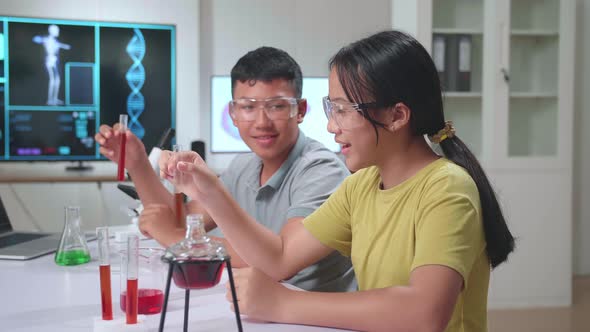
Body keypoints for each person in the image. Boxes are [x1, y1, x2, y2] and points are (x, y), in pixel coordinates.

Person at [164, 30, 515, 331]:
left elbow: (424, 313)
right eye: (331, 109)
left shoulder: (447, 188)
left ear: (396, 116)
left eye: (343, 110)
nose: (332, 126)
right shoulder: (360, 185)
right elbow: (281, 257)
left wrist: (282, 303)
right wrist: (209, 191)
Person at [95, 46, 356, 292]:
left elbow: (278, 261)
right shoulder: (244, 165)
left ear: (300, 110)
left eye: (276, 106)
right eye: (248, 107)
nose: (262, 122)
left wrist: (175, 239)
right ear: (232, 112)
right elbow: (186, 222)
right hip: (258, 309)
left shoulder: (322, 170)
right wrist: (138, 164)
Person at [33, 24, 71, 106]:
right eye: (56, 30)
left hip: (54, 60)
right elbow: (35, 39)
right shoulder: (47, 39)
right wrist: (43, 39)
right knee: (53, 79)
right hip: (50, 61)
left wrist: (63, 46)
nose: (58, 32)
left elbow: (62, 46)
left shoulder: (54, 41)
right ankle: (50, 100)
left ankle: (54, 98)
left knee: (57, 80)